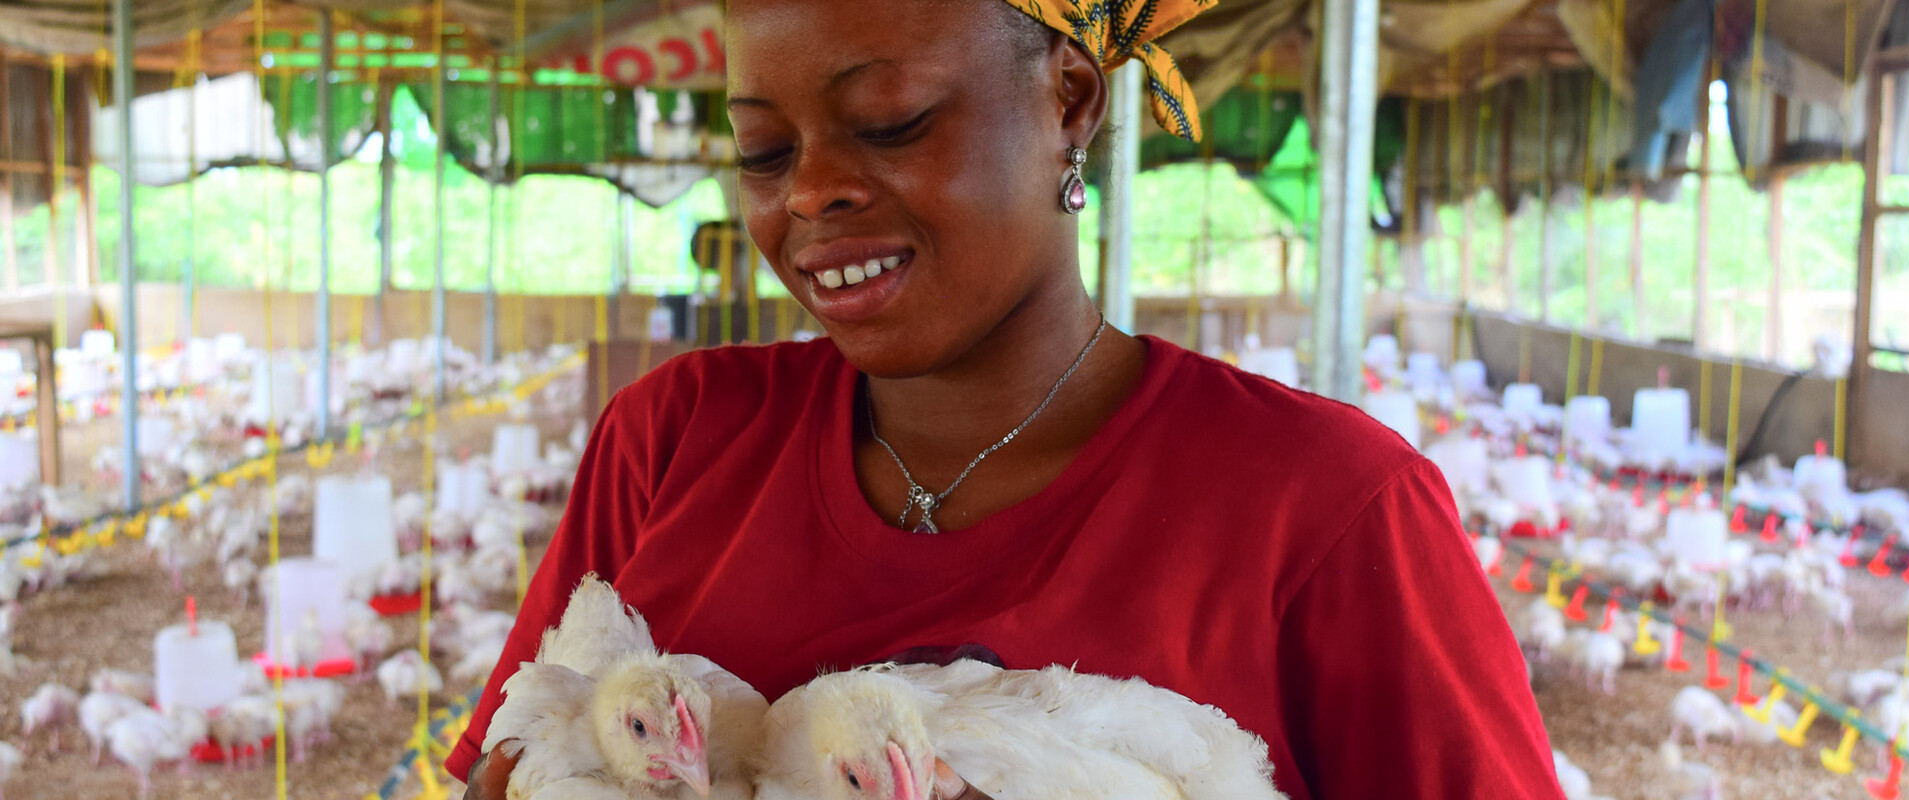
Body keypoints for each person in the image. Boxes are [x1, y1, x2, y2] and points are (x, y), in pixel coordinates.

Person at [452, 0, 1563, 797]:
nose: (809, 190)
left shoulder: (1328, 511)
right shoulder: (676, 435)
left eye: (890, 121)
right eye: (762, 147)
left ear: (1069, 100)